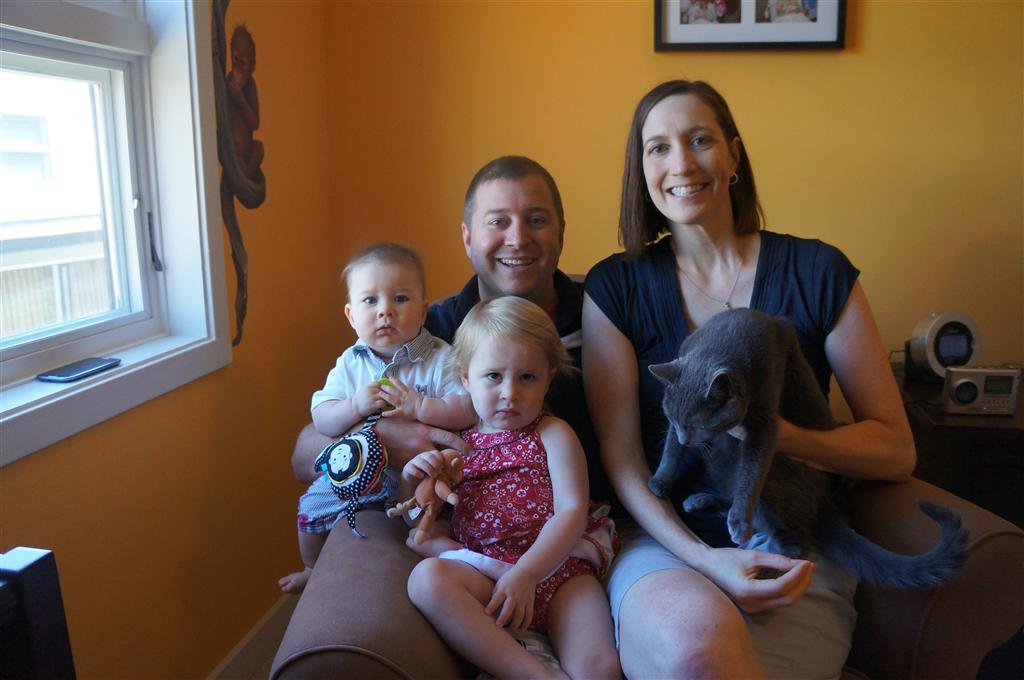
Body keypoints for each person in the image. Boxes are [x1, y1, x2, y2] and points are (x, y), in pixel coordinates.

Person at [582, 80, 915, 678]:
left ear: (733, 155)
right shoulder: (616, 287)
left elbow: (894, 449)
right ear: (643, 170)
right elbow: (623, 458)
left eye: (700, 140)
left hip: (791, 539)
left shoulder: (818, 272)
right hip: (667, 546)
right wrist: (705, 559)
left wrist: (774, 437)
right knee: (696, 654)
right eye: (658, 148)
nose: (681, 164)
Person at [290, 156, 612, 512]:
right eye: (498, 222)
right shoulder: (425, 332)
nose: (518, 239)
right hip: (455, 522)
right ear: (468, 238)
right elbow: (303, 456)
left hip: (592, 517)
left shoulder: (605, 313)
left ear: (561, 232)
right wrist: (377, 440)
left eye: (536, 220)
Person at [403, 296, 620, 680]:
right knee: (426, 581)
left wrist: (529, 574)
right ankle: (534, 674)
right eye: (493, 376)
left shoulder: (552, 432)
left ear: (549, 378)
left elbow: (572, 510)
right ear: (465, 377)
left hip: (559, 572)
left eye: (527, 377)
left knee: (599, 669)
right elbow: (422, 519)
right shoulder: (458, 446)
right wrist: (413, 477)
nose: (510, 392)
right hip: (488, 575)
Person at [279, 243, 474, 593]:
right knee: (309, 508)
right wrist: (354, 406)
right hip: (358, 473)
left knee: (433, 514)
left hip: (421, 473)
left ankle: (433, 547)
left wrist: (421, 407)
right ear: (351, 315)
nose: (385, 311)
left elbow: (467, 407)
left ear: (423, 310)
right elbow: (322, 418)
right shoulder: (349, 364)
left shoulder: (440, 357)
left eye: (400, 298)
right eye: (370, 301)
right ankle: (311, 567)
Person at [225, 25, 263, 179]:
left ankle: (245, 177)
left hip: (247, 148)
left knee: (259, 148)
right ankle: (242, 177)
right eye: (235, 59)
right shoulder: (228, 82)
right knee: (234, 153)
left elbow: (255, 123)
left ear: (252, 68)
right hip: (234, 150)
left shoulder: (250, 86)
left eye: (244, 63)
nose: (238, 68)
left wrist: (240, 98)